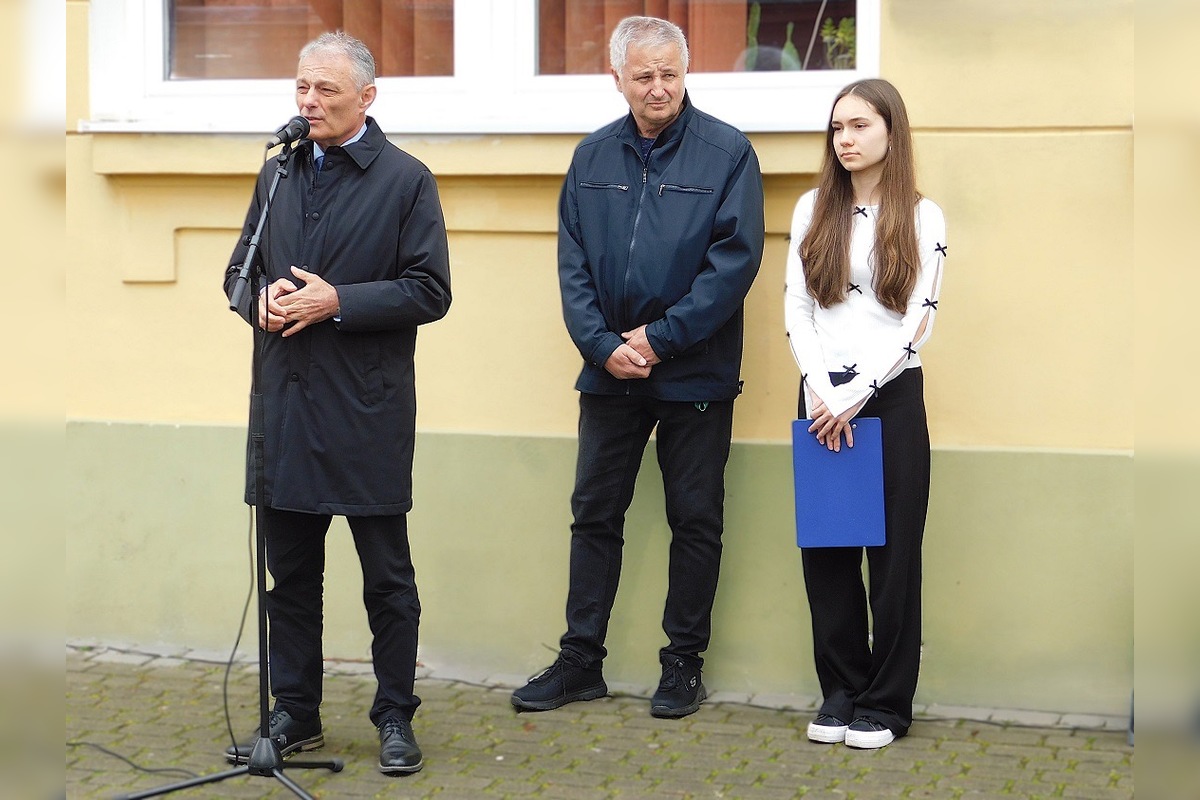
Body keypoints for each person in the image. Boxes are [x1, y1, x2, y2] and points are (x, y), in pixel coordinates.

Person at [511, 16, 764, 720]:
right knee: (594, 515)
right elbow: (573, 264)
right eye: (644, 75)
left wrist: (657, 339)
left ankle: (683, 665)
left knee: (695, 519)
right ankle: (580, 661)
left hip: (695, 371)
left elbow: (733, 266)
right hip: (609, 372)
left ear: (686, 75)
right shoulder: (592, 157)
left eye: (670, 75)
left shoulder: (727, 153)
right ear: (617, 79)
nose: (659, 88)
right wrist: (601, 344)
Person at [222, 31, 451, 774]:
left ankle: (395, 716)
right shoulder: (278, 174)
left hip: (366, 409)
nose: (309, 102)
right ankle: (295, 711)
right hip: (285, 407)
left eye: (325, 91)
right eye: (301, 88)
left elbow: (430, 290)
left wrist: (337, 301)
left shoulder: (406, 179)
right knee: (290, 576)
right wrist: (255, 299)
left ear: (367, 98)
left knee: (387, 579)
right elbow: (237, 273)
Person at [784, 78, 946, 749]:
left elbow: (917, 323)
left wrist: (855, 395)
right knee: (827, 551)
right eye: (836, 129)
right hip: (821, 397)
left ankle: (887, 704)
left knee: (892, 556)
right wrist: (820, 387)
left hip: (890, 399)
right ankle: (841, 692)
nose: (844, 140)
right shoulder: (810, 207)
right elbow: (797, 307)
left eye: (858, 126)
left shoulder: (924, 215)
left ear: (890, 132)